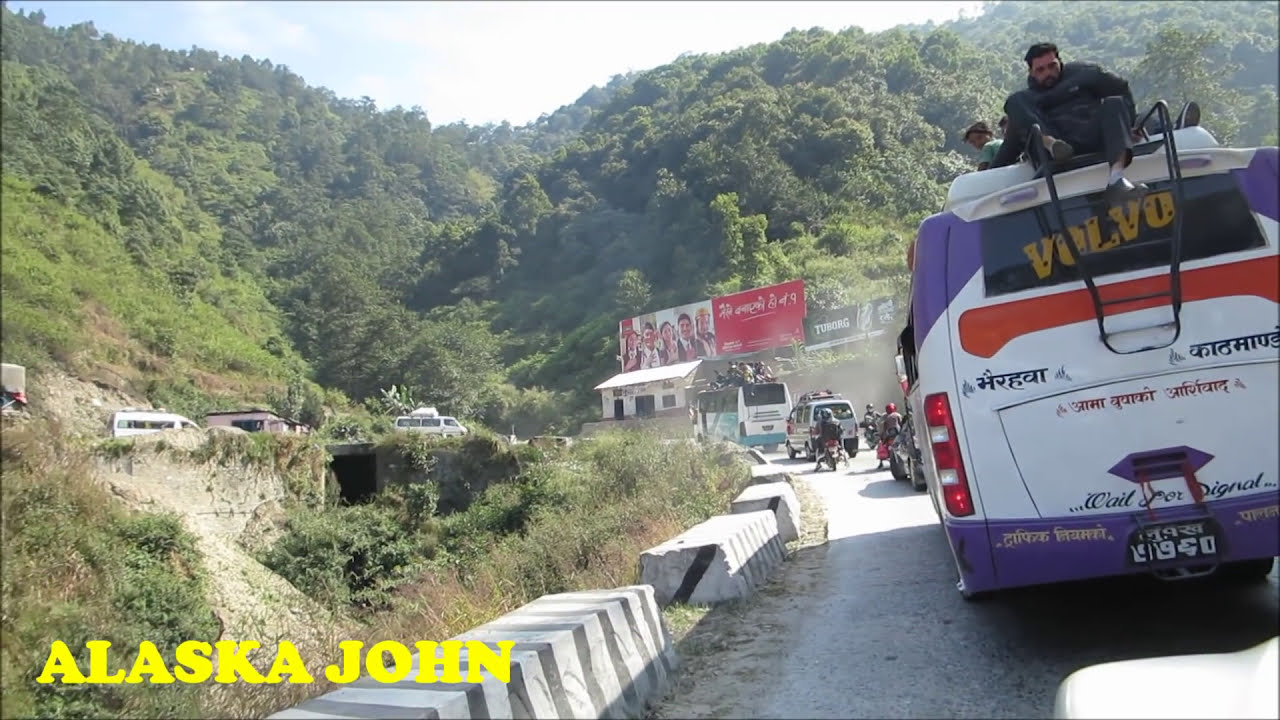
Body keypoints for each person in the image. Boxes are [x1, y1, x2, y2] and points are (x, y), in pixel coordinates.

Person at [990, 42, 1145, 205]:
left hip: (1092, 133)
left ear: (1060, 62)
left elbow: (1121, 89)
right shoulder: (1025, 101)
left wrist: (1128, 126)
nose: (1048, 73)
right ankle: (1050, 143)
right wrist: (988, 175)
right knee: (1015, 102)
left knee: (1114, 102)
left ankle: (1117, 178)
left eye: (1052, 66)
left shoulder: (1084, 73)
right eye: (1040, 70)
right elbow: (1010, 147)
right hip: (1056, 149)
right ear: (1031, 73)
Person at [878, 402, 903, 470]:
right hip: (898, 435)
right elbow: (901, 424)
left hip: (889, 436)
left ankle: (881, 462)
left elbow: (884, 428)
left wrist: (882, 437)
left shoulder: (887, 417)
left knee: (882, 445)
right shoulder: (898, 415)